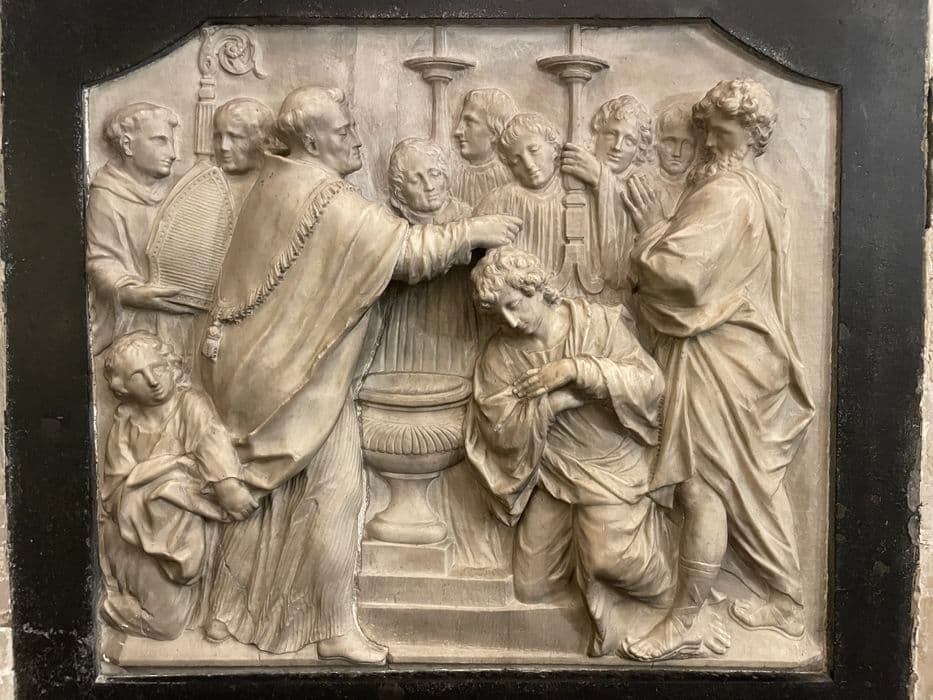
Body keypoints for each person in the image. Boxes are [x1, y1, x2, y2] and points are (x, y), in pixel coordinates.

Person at [200, 85, 521, 663]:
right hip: (299, 383)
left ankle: (231, 610)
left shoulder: (275, 183)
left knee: (279, 496)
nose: (355, 138)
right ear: (311, 140)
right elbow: (405, 254)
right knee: (338, 493)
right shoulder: (324, 197)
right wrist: (475, 232)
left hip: (260, 373)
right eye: (343, 130)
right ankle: (332, 630)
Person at [621, 79, 815, 661]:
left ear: (749, 135)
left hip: (718, 356)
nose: (706, 143)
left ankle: (684, 620)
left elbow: (684, 277)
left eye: (719, 132)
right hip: (746, 354)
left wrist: (648, 235)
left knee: (701, 486)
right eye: (705, 130)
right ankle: (787, 598)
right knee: (748, 480)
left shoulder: (726, 194)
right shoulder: (759, 191)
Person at [464, 246, 676, 657]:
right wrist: (556, 405)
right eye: (499, 314)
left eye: (514, 305)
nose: (510, 321)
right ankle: (588, 556)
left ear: (534, 287)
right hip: (555, 474)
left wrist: (577, 370)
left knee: (609, 560)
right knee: (531, 585)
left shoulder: (596, 324)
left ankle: (672, 591)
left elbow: (651, 386)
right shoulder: (501, 355)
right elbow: (500, 428)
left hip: (612, 466)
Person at [98, 331, 257, 641]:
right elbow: (116, 489)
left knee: (169, 623)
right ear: (122, 387)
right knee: (166, 626)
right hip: (139, 533)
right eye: (138, 376)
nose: (153, 381)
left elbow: (212, 441)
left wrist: (227, 484)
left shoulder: (190, 404)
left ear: (170, 365)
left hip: (187, 526)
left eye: (157, 368)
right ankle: (111, 605)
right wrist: (164, 480)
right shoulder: (126, 424)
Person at [87, 102, 192, 358]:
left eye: (172, 142)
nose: (174, 153)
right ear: (127, 145)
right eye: (160, 141)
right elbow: (102, 260)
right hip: (137, 330)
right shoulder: (107, 196)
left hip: (188, 320)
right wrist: (129, 293)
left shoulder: (184, 189)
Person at [561, 94, 653, 304]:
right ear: (597, 134)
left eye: (629, 141)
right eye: (611, 134)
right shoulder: (572, 176)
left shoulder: (643, 185)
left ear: (638, 150)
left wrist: (600, 178)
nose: (617, 146)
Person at [476, 112, 567, 283]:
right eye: (516, 160)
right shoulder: (496, 202)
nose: (529, 164)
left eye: (534, 150)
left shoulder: (574, 198)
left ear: (554, 148)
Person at [212, 97, 286, 215]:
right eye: (218, 136)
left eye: (235, 137)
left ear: (264, 141)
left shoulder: (279, 194)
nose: (223, 146)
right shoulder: (208, 192)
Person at [452, 88, 518, 206]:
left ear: (494, 132)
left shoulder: (513, 178)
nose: (458, 131)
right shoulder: (454, 178)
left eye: (469, 122)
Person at [652, 101, 700, 217]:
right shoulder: (646, 187)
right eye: (670, 142)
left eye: (687, 145)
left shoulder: (698, 191)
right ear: (657, 143)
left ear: (696, 149)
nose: (677, 153)